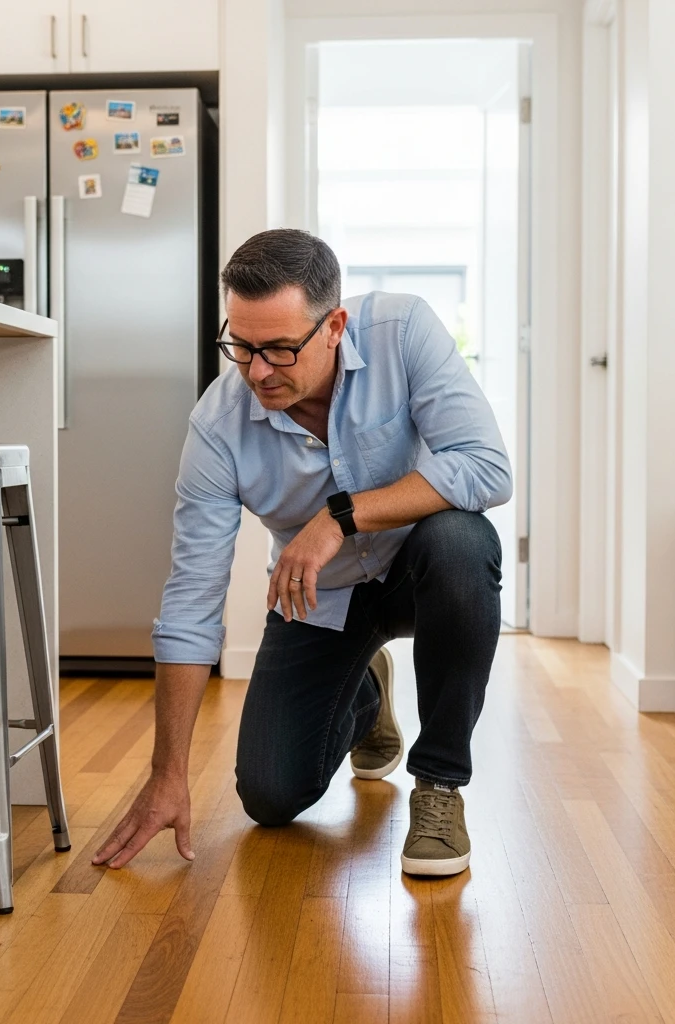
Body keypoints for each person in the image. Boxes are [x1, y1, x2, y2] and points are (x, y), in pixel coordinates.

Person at [93, 229, 511, 877]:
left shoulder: (403, 332)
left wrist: (341, 516)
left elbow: (487, 468)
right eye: (241, 346)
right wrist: (167, 773)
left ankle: (439, 784)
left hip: (419, 568)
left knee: (464, 540)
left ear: (334, 327)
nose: (258, 371)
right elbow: (191, 602)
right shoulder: (217, 428)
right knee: (269, 795)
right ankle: (366, 691)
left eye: (281, 350)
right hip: (321, 596)